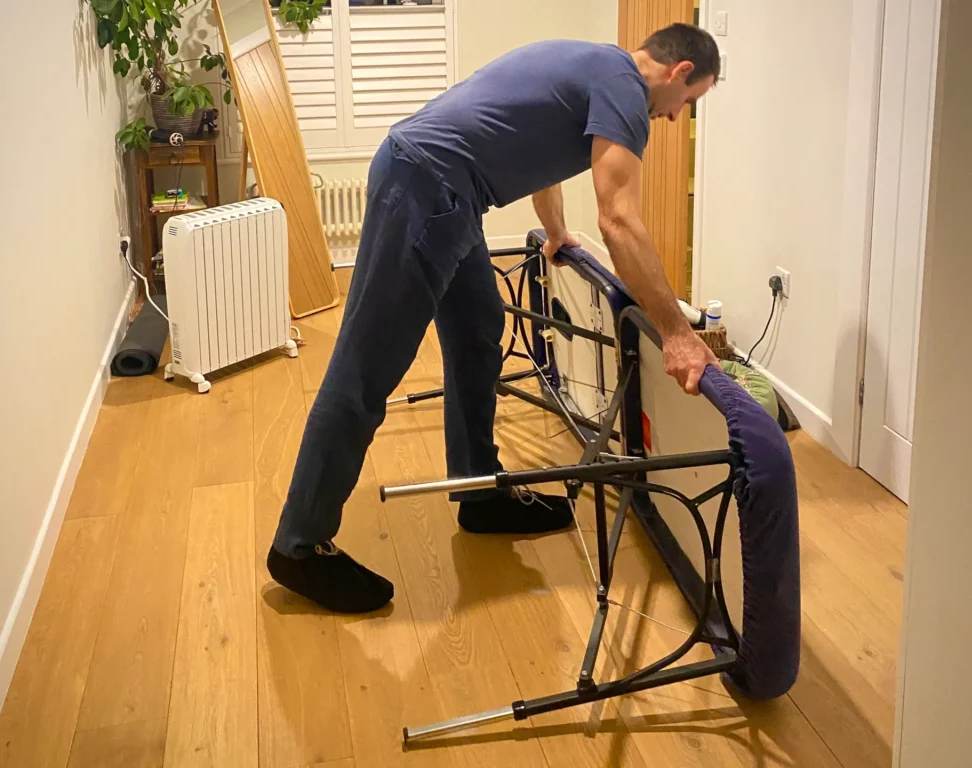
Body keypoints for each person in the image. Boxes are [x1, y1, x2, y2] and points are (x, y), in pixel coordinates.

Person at [267, 23, 721, 613]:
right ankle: (298, 545)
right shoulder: (628, 90)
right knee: (365, 370)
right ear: (680, 72)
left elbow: (542, 153)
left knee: (480, 330)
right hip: (427, 188)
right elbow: (620, 219)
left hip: (448, 193)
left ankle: (479, 492)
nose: (675, 117)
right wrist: (678, 334)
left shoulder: (593, 65)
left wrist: (556, 232)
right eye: (690, 103)